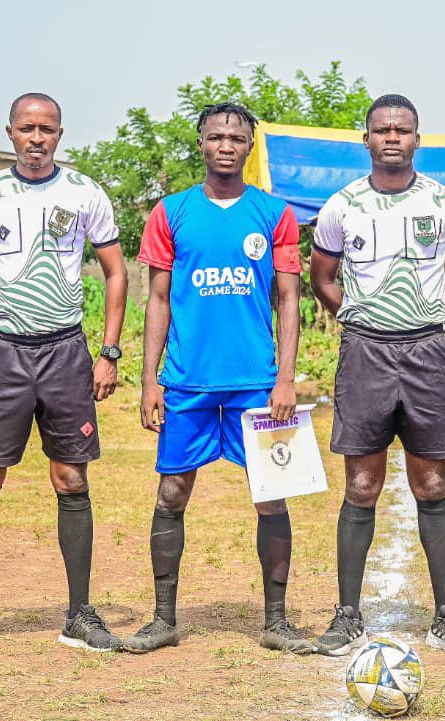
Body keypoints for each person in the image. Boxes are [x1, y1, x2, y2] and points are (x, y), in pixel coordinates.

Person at [0, 93, 128, 651]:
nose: (36, 138)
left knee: (71, 478)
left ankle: (80, 615)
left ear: (60, 134)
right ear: (10, 133)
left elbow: (116, 273)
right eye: (26, 128)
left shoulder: (85, 192)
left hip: (65, 353)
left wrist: (108, 352)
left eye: (46, 129)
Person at [124, 103, 308, 655]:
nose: (226, 145)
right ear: (201, 144)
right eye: (216, 136)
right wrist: (149, 380)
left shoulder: (275, 213)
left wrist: (286, 378)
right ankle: (163, 619)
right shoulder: (171, 212)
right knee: (172, 492)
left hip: (257, 381)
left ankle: (275, 621)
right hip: (186, 381)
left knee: (271, 498)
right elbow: (157, 299)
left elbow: (290, 300)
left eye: (236, 137)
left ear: (249, 147)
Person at [309, 94, 445, 655]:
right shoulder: (343, 205)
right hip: (365, 354)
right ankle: (347, 614)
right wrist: (360, 320)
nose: (391, 137)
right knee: (362, 483)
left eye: (402, 130)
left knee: (431, 482)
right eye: (381, 129)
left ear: (416, 138)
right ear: (366, 139)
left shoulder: (444, 202)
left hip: (428, 353)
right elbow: (323, 278)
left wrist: (433, 315)